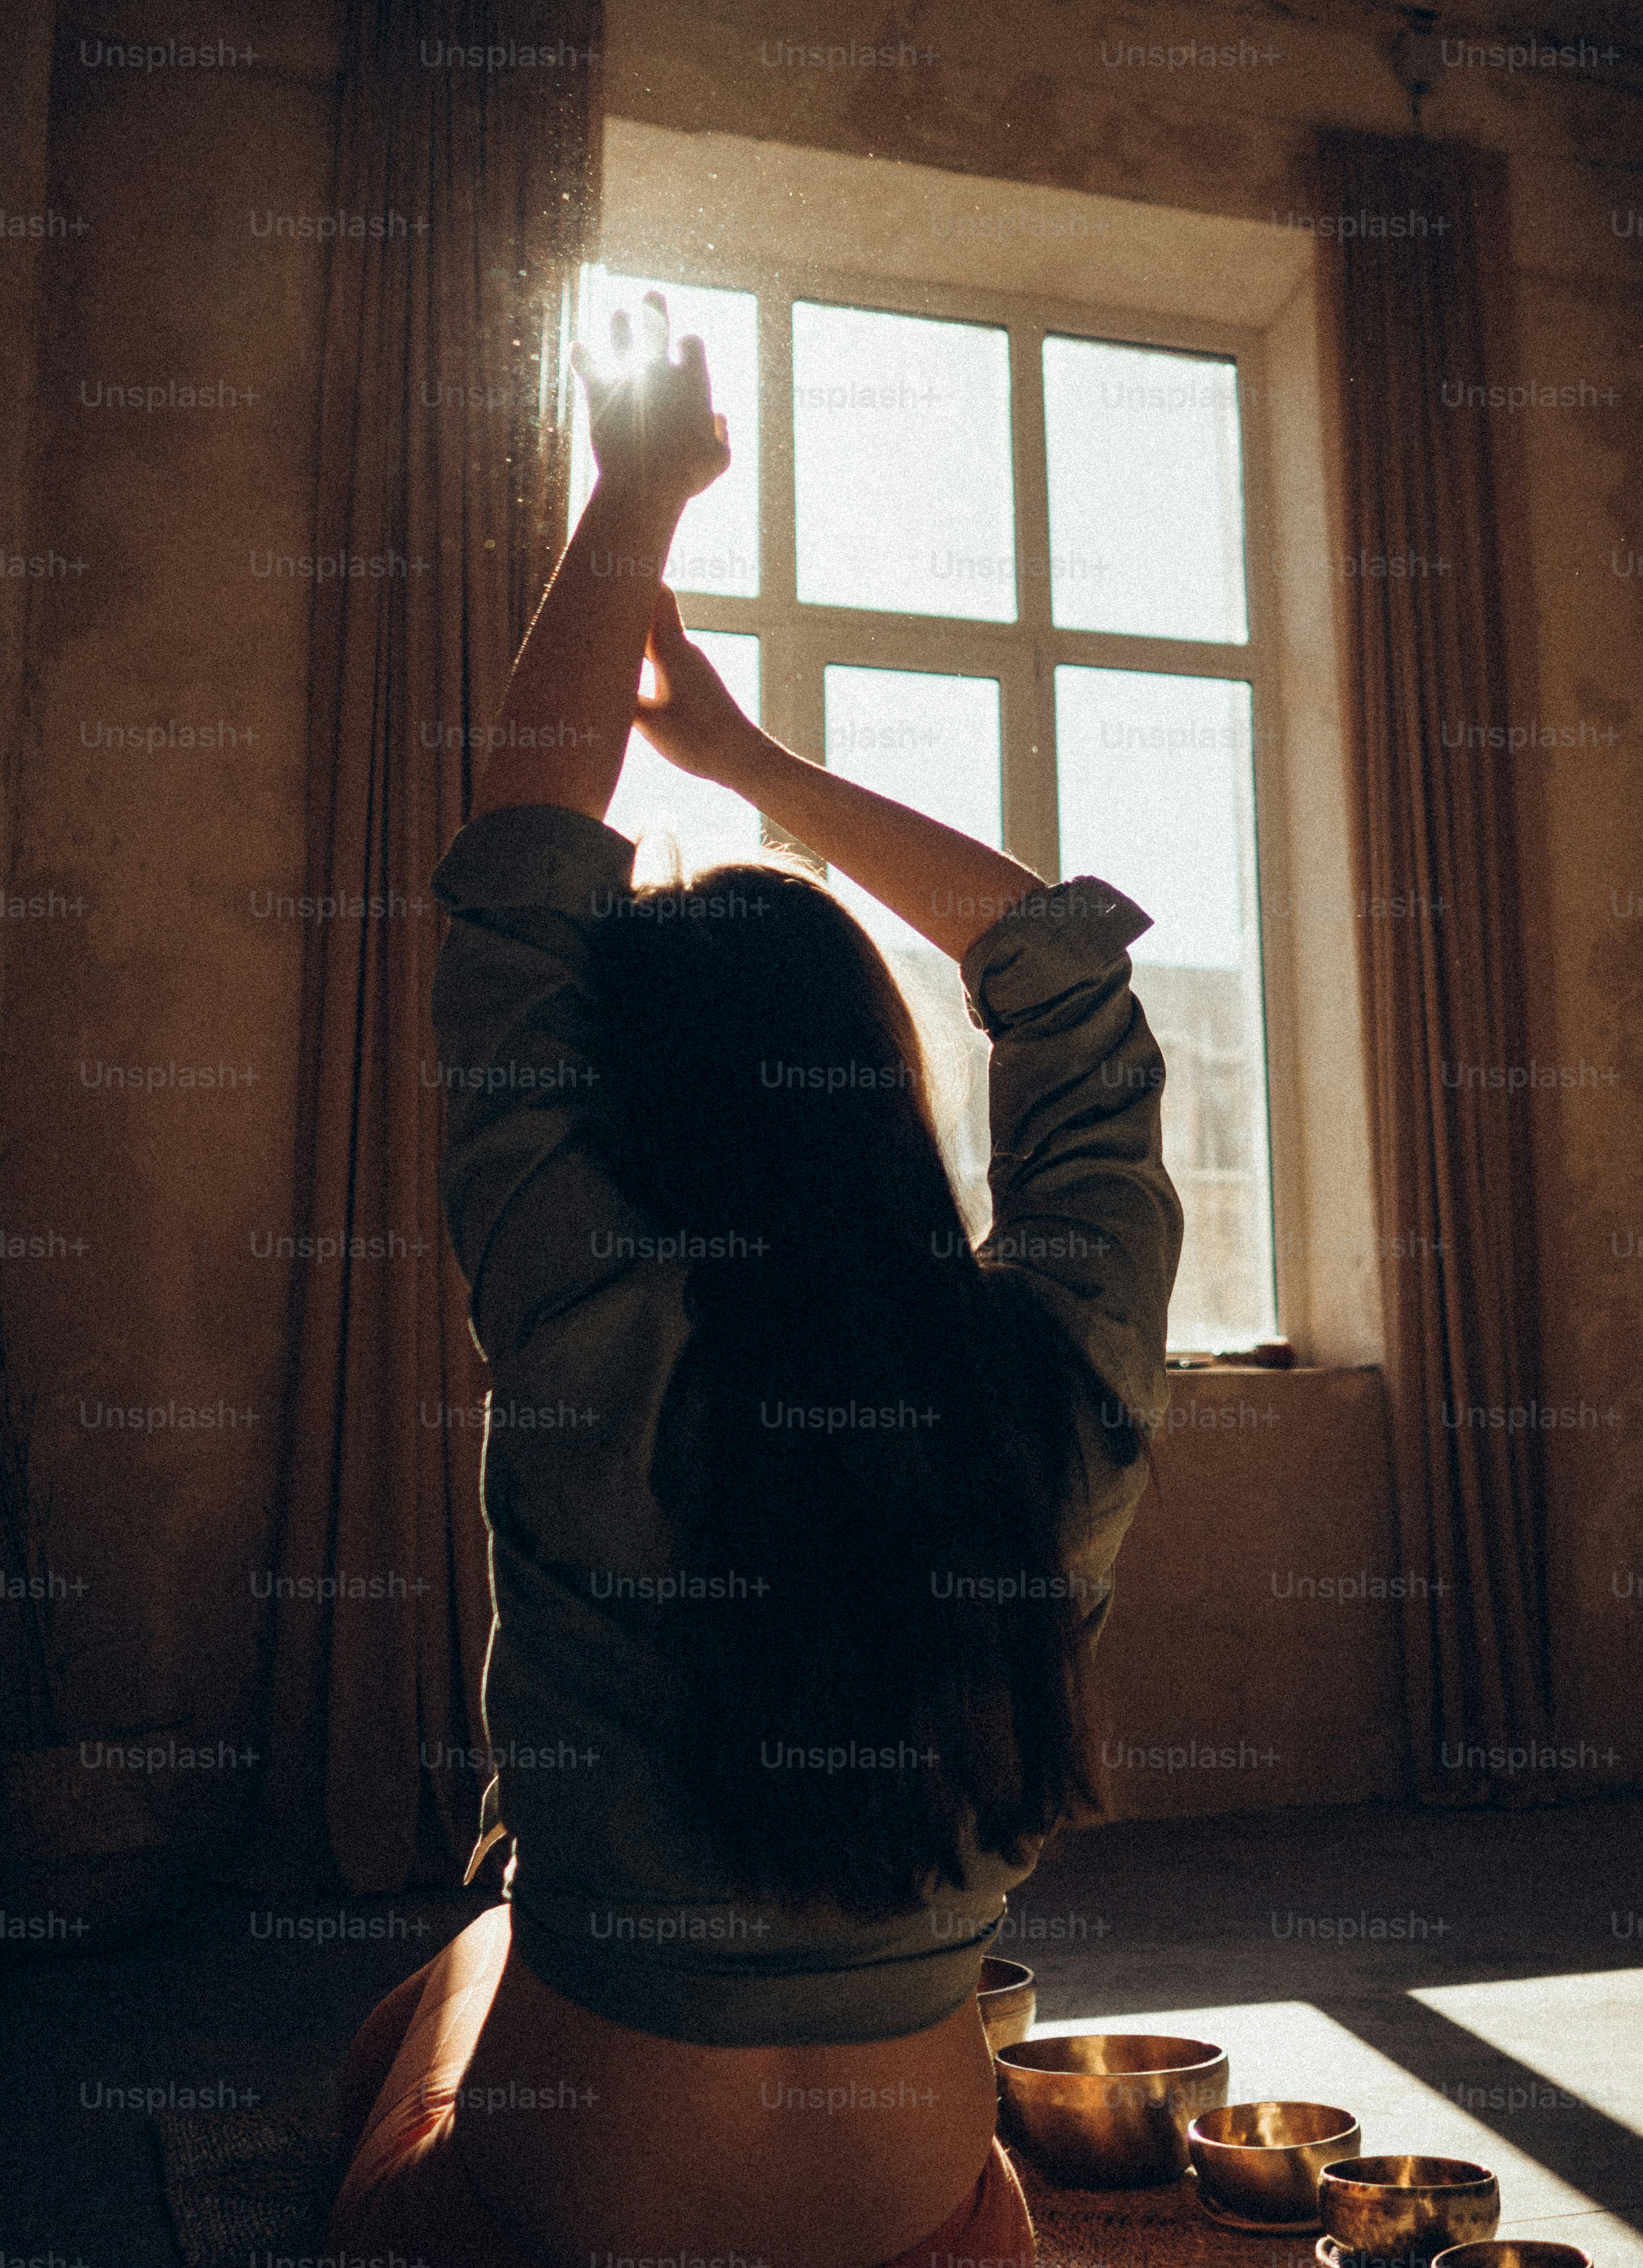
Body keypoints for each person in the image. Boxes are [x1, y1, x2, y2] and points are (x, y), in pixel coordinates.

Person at [325, 292, 1182, 2267]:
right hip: (913, 2212)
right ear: (872, 1093)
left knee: (417, 2013)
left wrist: (632, 502)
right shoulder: (1048, 1386)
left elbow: (514, 886)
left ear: (629, 1116)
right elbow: (1066, 989)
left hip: (576, 2215)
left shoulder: (586, 1322)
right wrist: (743, 756)